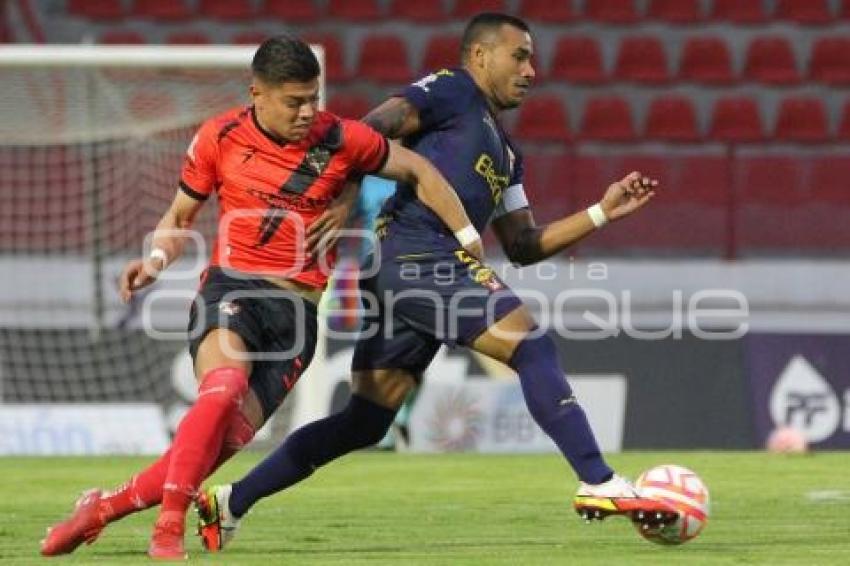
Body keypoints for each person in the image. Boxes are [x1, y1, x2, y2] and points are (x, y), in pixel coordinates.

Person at [197, 13, 674, 552]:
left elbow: (522, 244)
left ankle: (229, 502)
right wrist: (349, 196)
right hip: (418, 254)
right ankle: (597, 480)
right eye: (519, 56)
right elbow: (373, 126)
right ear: (479, 56)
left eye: (531, 59)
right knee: (531, 345)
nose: (531, 70)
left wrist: (602, 213)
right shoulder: (451, 90)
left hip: (405, 272)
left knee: (365, 421)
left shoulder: (509, 156)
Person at [39, 34, 483, 560]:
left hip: (297, 314)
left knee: (217, 446)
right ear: (258, 94)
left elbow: (417, 169)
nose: (307, 112)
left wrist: (467, 237)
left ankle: (101, 510)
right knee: (223, 387)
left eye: (313, 98)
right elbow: (179, 218)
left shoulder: (339, 138)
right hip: (233, 288)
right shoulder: (219, 136)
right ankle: (168, 527)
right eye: (294, 101)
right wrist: (155, 261)